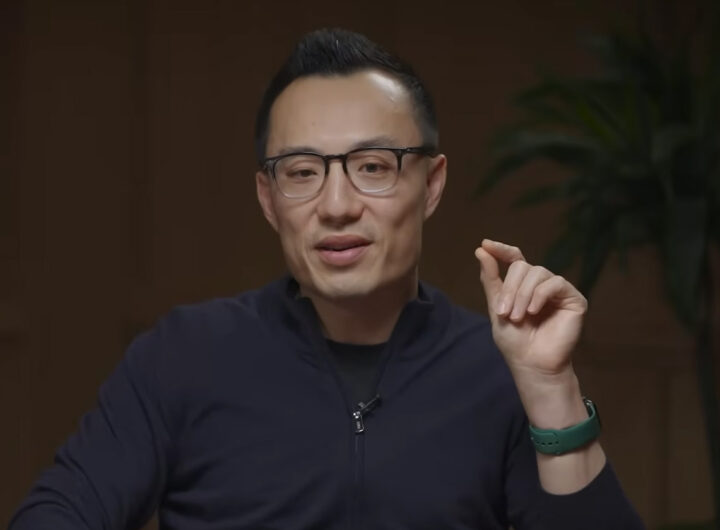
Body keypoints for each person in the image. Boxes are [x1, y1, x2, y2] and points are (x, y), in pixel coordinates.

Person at [9, 28, 644, 529]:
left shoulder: (498, 371)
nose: (336, 206)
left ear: (431, 185)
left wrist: (550, 390)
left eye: (373, 166)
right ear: (268, 198)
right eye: (302, 172)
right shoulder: (183, 355)